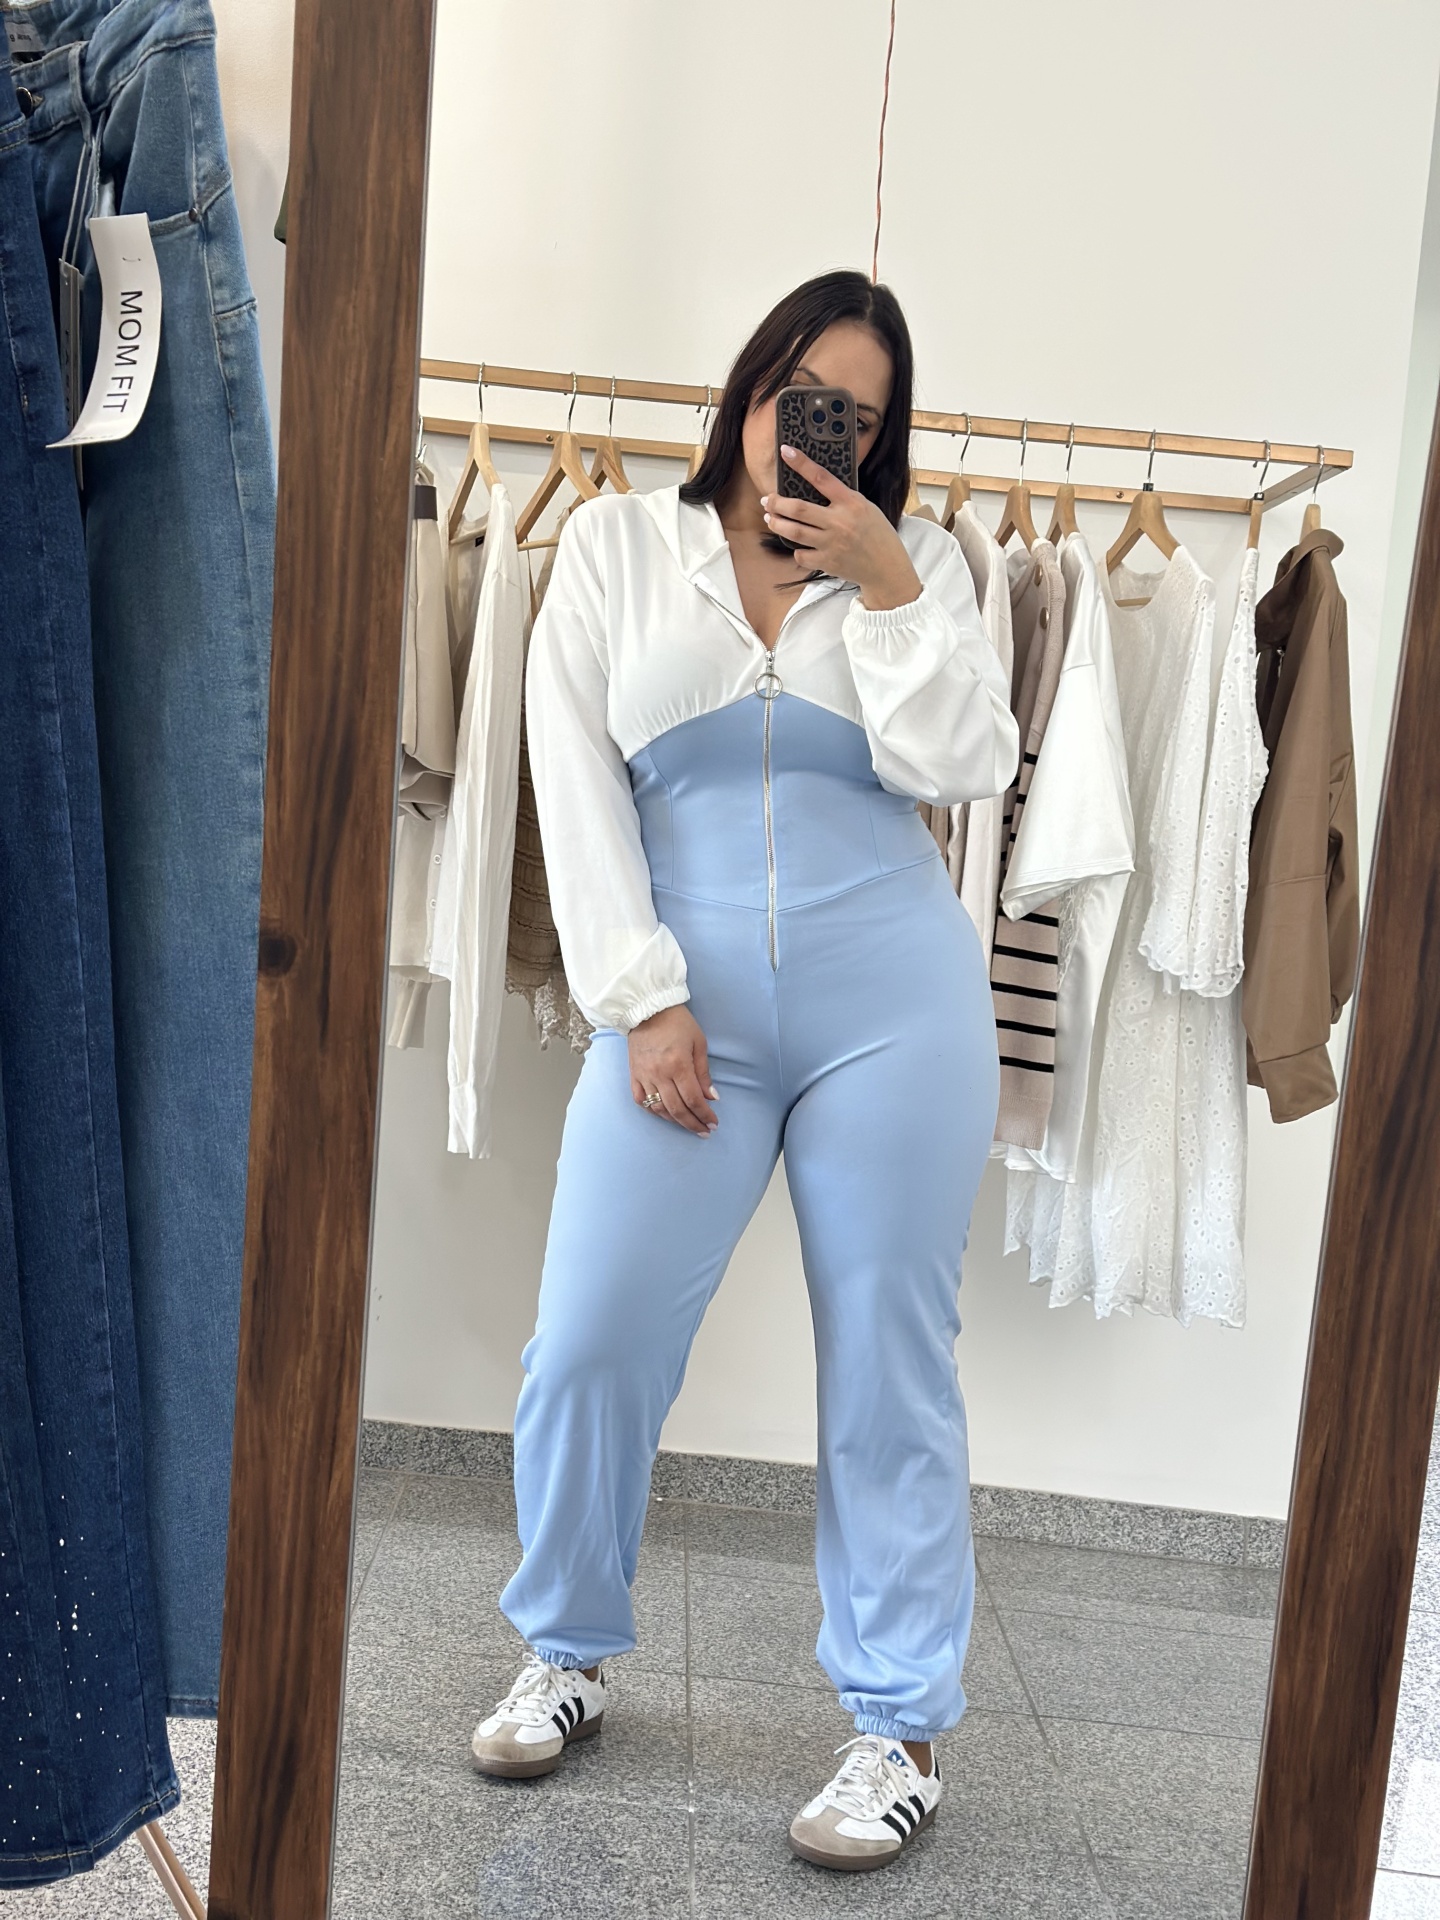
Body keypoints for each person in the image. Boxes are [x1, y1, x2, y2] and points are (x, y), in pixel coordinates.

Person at [469, 269, 1018, 1872]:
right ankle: (566, 1648)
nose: (816, 431)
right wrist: (642, 997)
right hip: (683, 1008)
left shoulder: (925, 567)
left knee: (891, 1362)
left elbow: (968, 764)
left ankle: (898, 1727)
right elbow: (573, 781)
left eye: (858, 414)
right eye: (798, 395)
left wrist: (889, 583)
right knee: (590, 1336)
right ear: (749, 389)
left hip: (894, 1005)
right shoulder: (615, 549)